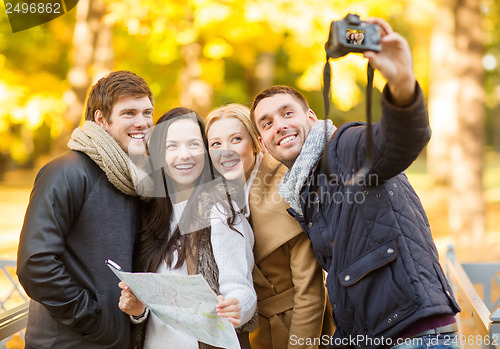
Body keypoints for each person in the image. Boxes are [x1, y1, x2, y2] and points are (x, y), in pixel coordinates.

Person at [250, 18, 460, 349]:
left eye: (287, 113)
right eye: (267, 122)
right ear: (263, 144)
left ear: (311, 118)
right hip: (376, 336)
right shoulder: (305, 189)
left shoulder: (345, 146)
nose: (279, 125)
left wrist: (402, 84)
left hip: (415, 333)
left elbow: (399, 140)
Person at [17, 70, 154, 349]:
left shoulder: (135, 179)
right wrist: (94, 320)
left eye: (147, 112)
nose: (142, 122)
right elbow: (36, 264)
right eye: (129, 113)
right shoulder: (66, 172)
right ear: (101, 119)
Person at [117, 107, 257, 349]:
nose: (185, 155)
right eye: (172, 146)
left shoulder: (220, 210)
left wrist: (236, 305)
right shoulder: (149, 215)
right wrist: (137, 310)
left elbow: (241, 288)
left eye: (194, 144)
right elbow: (152, 305)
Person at [205, 103, 335, 349]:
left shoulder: (285, 188)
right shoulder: (216, 199)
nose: (226, 152)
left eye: (236, 139)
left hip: (300, 325)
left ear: (255, 143)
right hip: (253, 329)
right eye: (216, 144)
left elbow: (309, 293)